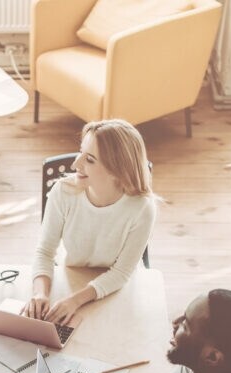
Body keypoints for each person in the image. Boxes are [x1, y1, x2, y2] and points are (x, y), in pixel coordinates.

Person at [24, 119, 156, 325]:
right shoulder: (63, 192)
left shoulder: (142, 209)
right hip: (71, 277)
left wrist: (75, 301)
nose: (76, 164)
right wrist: (40, 294)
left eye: (90, 160)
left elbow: (121, 273)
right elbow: (45, 252)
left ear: (118, 169)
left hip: (116, 289)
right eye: (80, 152)